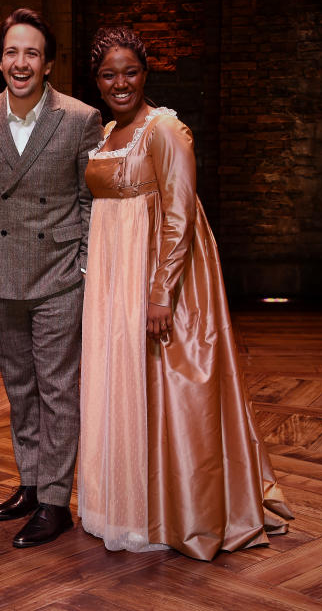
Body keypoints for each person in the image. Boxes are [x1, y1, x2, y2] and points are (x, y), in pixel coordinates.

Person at [78, 27, 293, 560]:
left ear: (146, 73)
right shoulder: (106, 133)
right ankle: (119, 501)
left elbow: (179, 216)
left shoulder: (165, 128)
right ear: (96, 80)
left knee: (165, 391)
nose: (120, 82)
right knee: (118, 386)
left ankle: (176, 510)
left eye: (130, 71)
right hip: (111, 275)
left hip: (153, 275)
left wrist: (159, 294)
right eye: (109, 74)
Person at [0, 8, 104, 548]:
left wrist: (85, 264)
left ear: (47, 64)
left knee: (58, 389)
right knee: (19, 387)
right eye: (11, 52)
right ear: (0, 61)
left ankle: (54, 500)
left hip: (59, 273)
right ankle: (28, 482)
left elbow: (90, 199)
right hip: (2, 271)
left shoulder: (79, 118)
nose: (20, 63)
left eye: (32, 54)